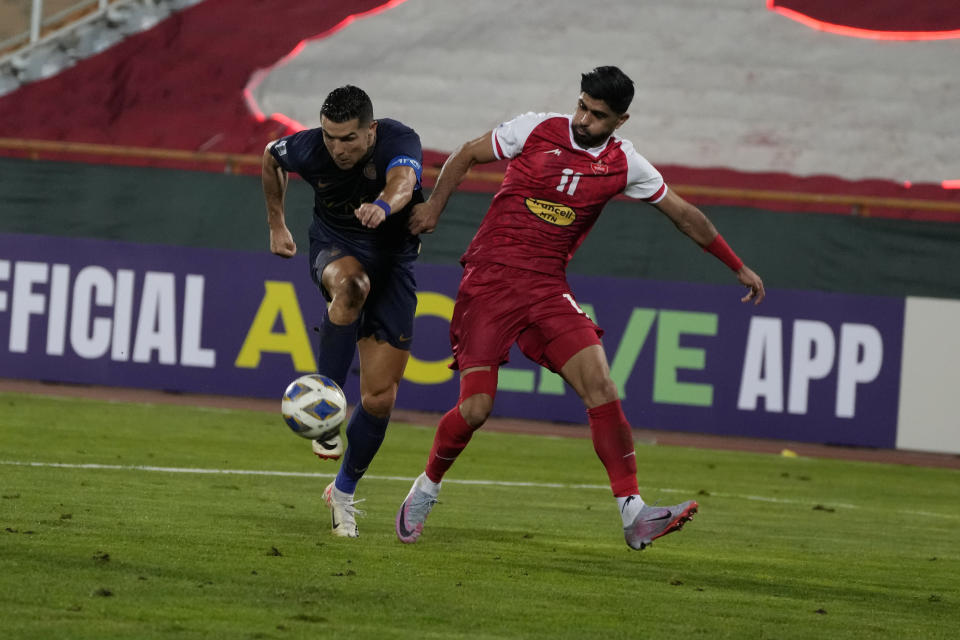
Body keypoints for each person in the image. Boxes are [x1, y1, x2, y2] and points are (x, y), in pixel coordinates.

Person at [395, 66, 765, 550]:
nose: (584, 120)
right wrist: (434, 209)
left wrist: (736, 265)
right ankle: (424, 490)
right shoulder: (535, 128)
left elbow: (685, 216)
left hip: (548, 287)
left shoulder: (625, 164)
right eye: (583, 107)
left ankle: (633, 512)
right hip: (490, 280)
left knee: (601, 383)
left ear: (621, 119)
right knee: (477, 407)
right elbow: (466, 154)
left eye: (598, 115)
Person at [262, 85, 424, 538]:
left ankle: (344, 492)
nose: (337, 148)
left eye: (349, 138)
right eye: (331, 137)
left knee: (380, 398)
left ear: (371, 131)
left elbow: (404, 183)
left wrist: (383, 206)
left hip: (394, 265)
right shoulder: (310, 148)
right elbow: (271, 158)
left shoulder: (399, 139)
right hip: (337, 247)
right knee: (351, 286)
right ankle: (325, 407)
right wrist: (277, 224)